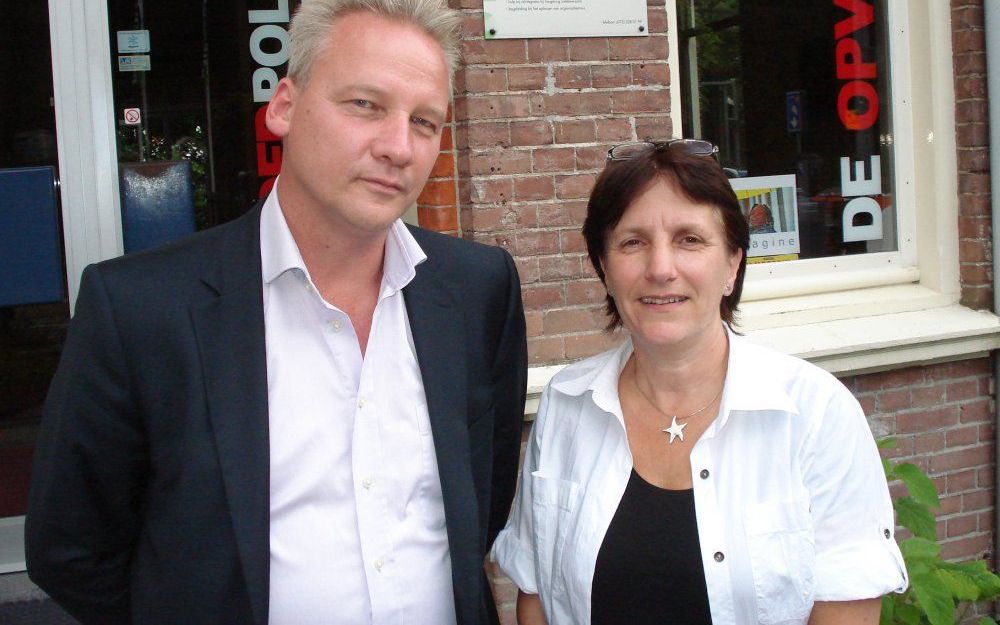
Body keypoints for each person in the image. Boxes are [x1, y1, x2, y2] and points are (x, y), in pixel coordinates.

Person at [25, 1, 527, 624]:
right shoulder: (141, 310)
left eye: (424, 121)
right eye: (365, 104)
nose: (399, 147)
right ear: (284, 105)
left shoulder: (478, 291)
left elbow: (484, 495)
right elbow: (70, 549)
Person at [491, 139, 906, 625]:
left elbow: (846, 609)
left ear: (732, 264)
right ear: (604, 267)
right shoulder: (567, 405)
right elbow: (537, 597)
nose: (661, 269)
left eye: (690, 239)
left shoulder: (814, 415)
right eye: (633, 242)